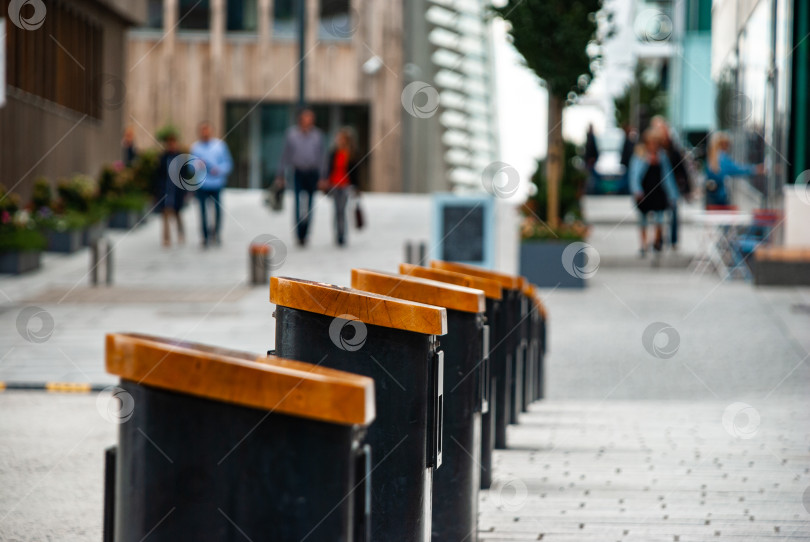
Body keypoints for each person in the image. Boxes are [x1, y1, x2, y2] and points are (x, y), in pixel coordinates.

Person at [276, 108, 325, 246]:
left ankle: (306, 233)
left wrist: (322, 177)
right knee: (297, 204)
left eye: (311, 119)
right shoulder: (291, 135)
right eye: (306, 118)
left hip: (312, 173)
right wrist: (280, 174)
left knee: (310, 205)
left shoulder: (317, 135)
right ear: (300, 120)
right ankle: (298, 234)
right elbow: (285, 155)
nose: (308, 121)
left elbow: (322, 157)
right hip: (298, 172)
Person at [629, 129, 679, 256]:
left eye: (656, 143)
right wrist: (636, 190)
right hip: (644, 191)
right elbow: (634, 175)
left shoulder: (662, 157)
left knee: (660, 219)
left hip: (658, 191)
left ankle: (656, 242)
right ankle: (644, 245)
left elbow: (668, 177)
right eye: (651, 142)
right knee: (643, 220)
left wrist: (673, 194)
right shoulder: (640, 155)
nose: (653, 145)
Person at [651, 116, 692, 250]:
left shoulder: (672, 147)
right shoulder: (653, 148)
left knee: (673, 212)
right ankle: (659, 239)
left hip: (672, 186)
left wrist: (687, 187)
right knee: (659, 214)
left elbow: (682, 168)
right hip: (657, 186)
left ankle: (673, 240)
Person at [191, 121, 233, 248]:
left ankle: (217, 234)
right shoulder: (195, 147)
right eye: (203, 131)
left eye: (207, 130)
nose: (205, 133)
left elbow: (228, 164)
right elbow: (190, 167)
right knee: (202, 212)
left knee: (218, 211)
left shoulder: (220, 146)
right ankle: (205, 236)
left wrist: (219, 170)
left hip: (216, 183)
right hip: (202, 184)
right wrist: (197, 166)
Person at [320, 127, 359, 246]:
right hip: (334, 184)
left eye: (341, 138)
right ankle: (338, 234)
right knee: (336, 211)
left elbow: (355, 172)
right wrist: (325, 181)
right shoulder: (333, 153)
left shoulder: (351, 153)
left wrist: (356, 187)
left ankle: (342, 235)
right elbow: (328, 168)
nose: (339, 140)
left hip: (346, 185)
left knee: (342, 210)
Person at [704, 131, 765, 208]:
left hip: (711, 199)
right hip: (721, 199)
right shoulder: (722, 159)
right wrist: (756, 169)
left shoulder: (711, 159)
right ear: (725, 145)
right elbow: (737, 169)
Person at [154, 128, 185, 247]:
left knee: (177, 214)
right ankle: (166, 239)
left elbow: (185, 175)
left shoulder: (181, 157)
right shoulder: (163, 157)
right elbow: (158, 174)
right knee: (165, 215)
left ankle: (180, 233)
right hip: (165, 190)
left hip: (177, 191)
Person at [620, 124, 638, 193]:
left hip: (628, 162)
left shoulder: (628, 140)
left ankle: (625, 190)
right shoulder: (627, 141)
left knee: (627, 177)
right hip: (627, 162)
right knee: (627, 177)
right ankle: (624, 190)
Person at [584, 124, 600, 192]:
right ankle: (593, 190)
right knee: (591, 177)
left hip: (590, 161)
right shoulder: (590, 137)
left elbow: (593, 149)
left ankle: (593, 190)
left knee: (592, 177)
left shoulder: (591, 137)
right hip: (589, 160)